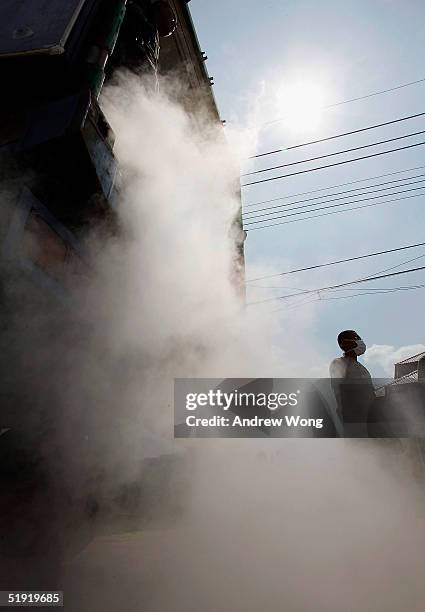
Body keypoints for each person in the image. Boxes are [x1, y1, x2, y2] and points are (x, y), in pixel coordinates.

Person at [330, 330, 375, 435]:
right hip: (353, 417)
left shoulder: (362, 368)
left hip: (368, 416)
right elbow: (339, 390)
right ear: (344, 343)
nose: (360, 341)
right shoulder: (339, 363)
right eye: (355, 338)